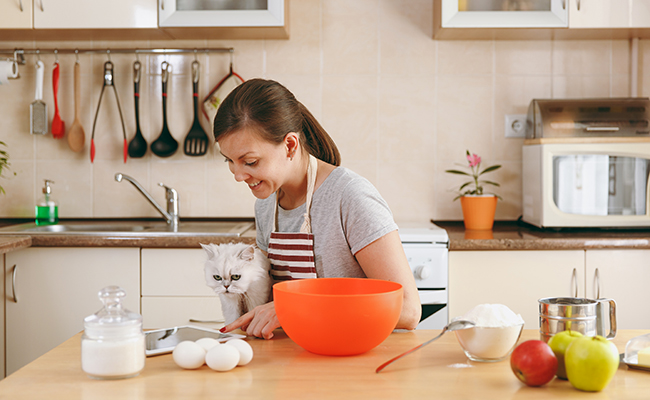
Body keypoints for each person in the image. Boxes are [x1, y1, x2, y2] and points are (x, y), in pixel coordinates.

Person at [214, 78, 421, 339]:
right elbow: (272, 304)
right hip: (294, 354)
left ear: (290, 145)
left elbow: (409, 310)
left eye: (250, 162)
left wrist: (296, 306)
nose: (238, 175)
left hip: (350, 357)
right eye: (230, 161)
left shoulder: (349, 196)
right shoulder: (266, 205)